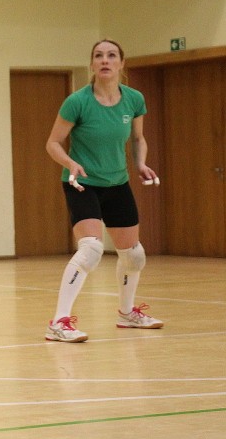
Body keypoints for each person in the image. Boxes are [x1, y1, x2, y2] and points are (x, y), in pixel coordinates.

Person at [44, 38, 164, 343]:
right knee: (91, 250)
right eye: (99, 56)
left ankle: (127, 313)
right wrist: (70, 163)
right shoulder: (77, 102)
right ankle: (59, 322)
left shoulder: (134, 99)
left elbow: (138, 138)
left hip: (117, 183)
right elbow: (53, 143)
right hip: (82, 182)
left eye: (111, 55)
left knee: (134, 256)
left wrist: (140, 164)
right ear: (92, 64)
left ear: (121, 63)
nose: (105, 60)